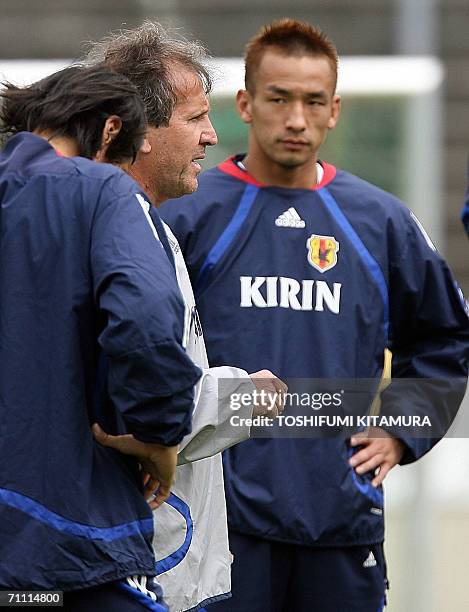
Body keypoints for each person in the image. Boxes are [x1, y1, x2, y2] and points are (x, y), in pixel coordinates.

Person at [159, 19, 469, 612]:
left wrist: (401, 430)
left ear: (335, 111)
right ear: (246, 104)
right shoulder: (191, 214)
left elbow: (444, 336)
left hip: (339, 521)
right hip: (219, 526)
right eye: (278, 99)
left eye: (313, 101)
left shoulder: (381, 222)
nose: (296, 119)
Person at [86, 23, 286, 612]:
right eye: (196, 117)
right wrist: (243, 395)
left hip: (166, 558)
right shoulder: (115, 232)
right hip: (136, 565)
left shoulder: (148, 226)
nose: (211, 136)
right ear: (138, 132)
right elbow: (124, 407)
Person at [0, 64, 203, 610]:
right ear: (111, 132)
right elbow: (144, 319)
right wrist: (158, 434)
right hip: (70, 546)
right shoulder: (100, 188)